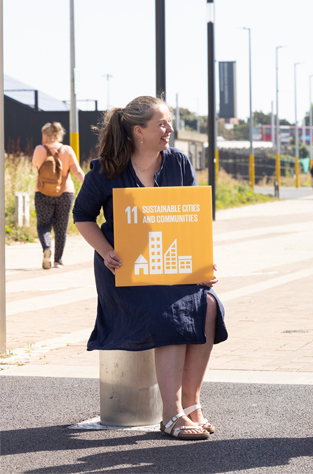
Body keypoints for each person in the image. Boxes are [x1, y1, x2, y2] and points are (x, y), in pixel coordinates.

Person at [73, 96, 227, 441]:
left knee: (210, 304)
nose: (169, 130)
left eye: (169, 122)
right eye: (162, 123)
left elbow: (191, 217)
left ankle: (192, 404)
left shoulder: (177, 162)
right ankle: (170, 413)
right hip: (126, 271)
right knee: (168, 309)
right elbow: (82, 215)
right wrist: (106, 250)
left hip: (171, 264)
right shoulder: (104, 169)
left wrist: (202, 262)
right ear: (138, 131)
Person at [31, 122, 85, 269]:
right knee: (61, 228)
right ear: (59, 135)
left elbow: (36, 166)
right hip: (65, 192)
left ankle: (46, 248)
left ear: (46, 135)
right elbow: (77, 171)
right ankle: (58, 261)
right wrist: (88, 188)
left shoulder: (39, 149)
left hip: (42, 192)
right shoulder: (67, 149)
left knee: (43, 225)